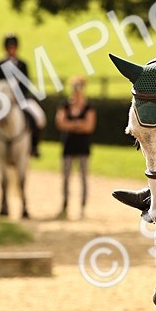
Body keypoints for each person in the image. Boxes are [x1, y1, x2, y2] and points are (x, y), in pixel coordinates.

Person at [0, 34, 42, 158]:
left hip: (20, 99)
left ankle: (34, 147)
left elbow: (26, 84)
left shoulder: (23, 64)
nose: (11, 49)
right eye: (9, 47)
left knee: (37, 117)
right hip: (1, 100)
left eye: (13, 47)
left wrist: (18, 97)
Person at [55, 76, 96, 218]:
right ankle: (64, 206)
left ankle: (82, 208)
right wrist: (79, 124)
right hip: (68, 146)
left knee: (83, 178)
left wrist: (71, 125)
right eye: (74, 87)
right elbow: (60, 123)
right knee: (66, 178)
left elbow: (89, 127)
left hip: (83, 147)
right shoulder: (65, 104)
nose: (76, 90)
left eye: (78, 87)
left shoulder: (88, 106)